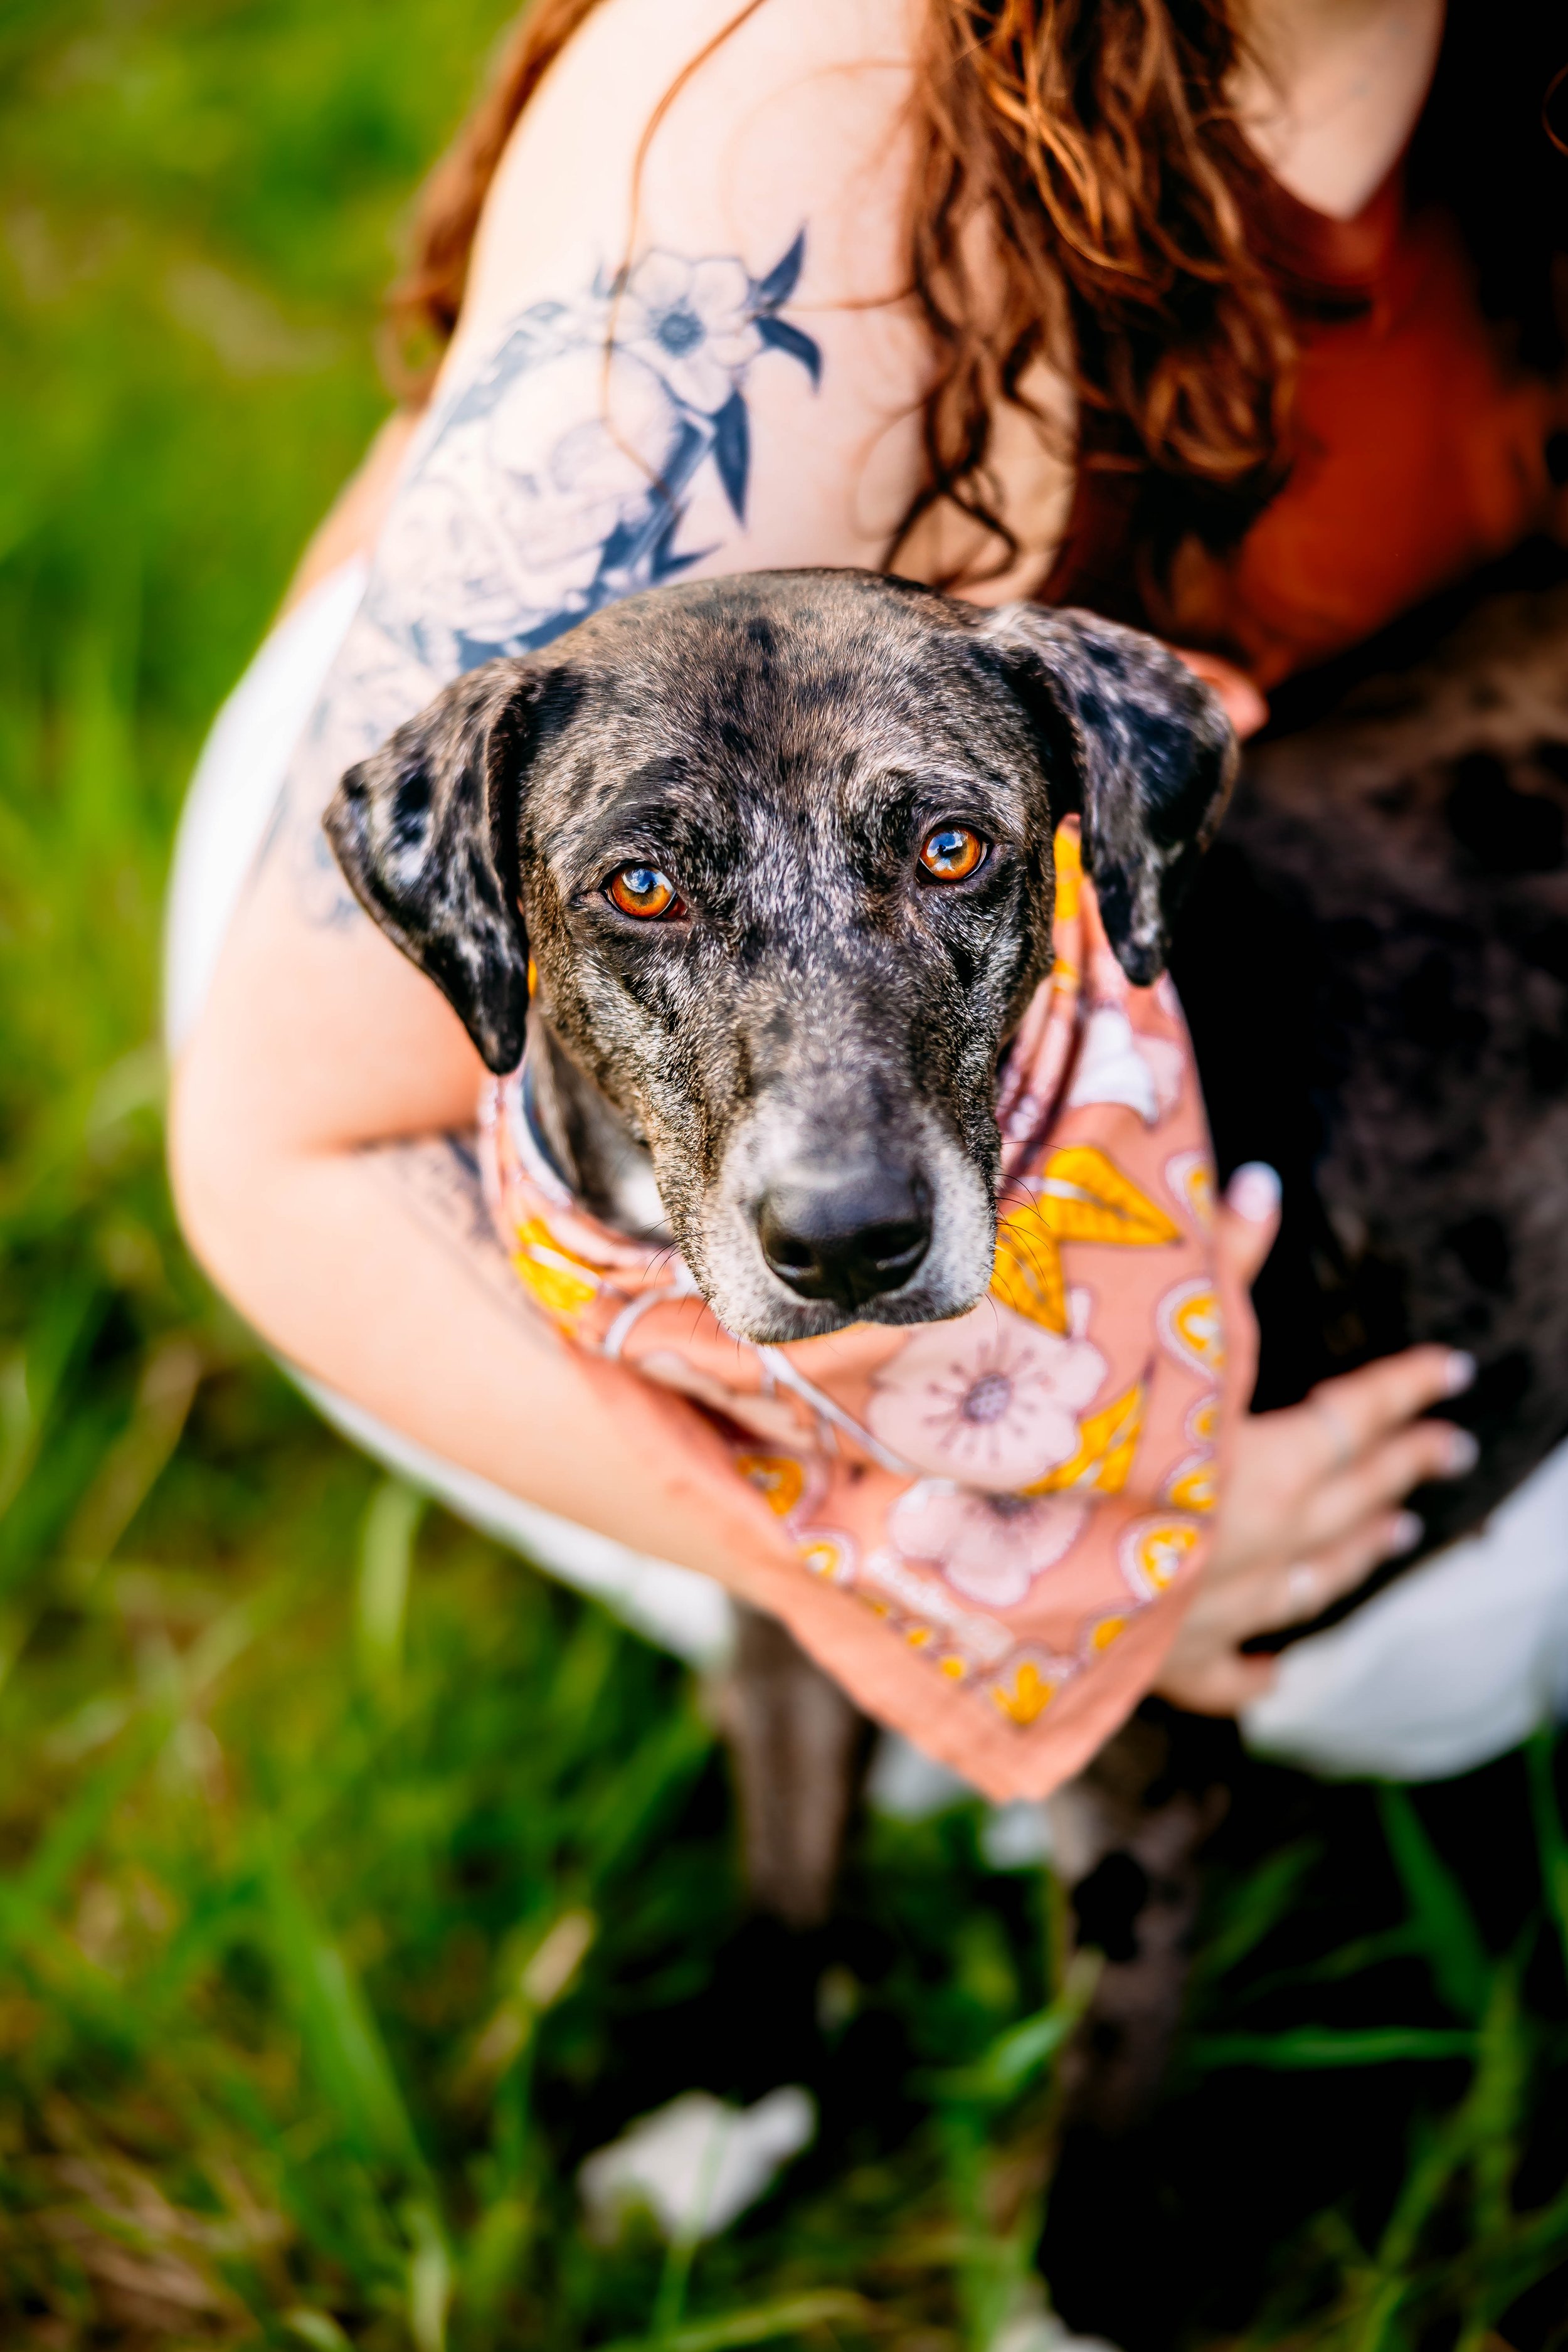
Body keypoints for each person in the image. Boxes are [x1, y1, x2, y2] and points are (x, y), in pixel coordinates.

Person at [167, 0, 1564, 1776]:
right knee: (1422, 1663)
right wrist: (976, 1579)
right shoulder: (799, 141)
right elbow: (296, 1161)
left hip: (1106, 891)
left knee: (1459, 1594)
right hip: (466, 968)